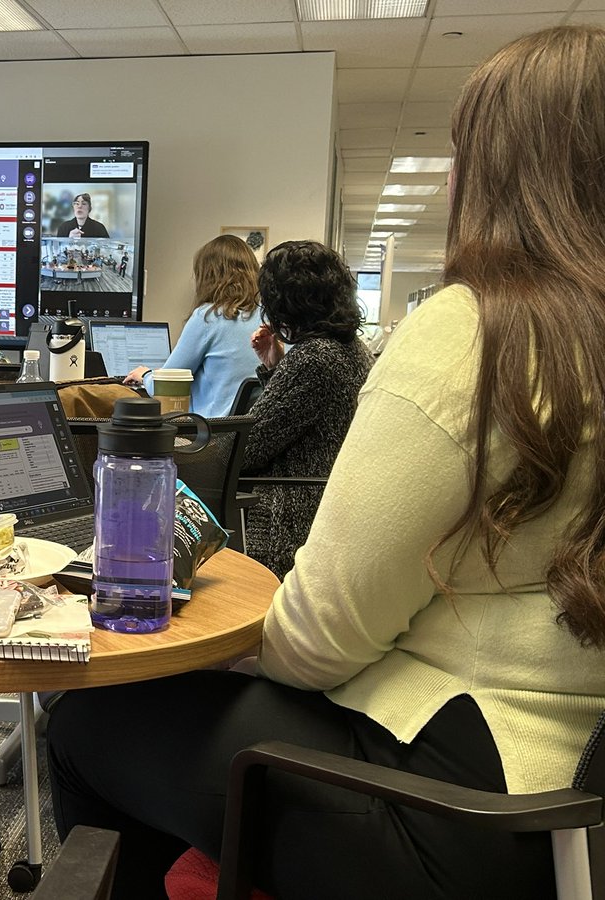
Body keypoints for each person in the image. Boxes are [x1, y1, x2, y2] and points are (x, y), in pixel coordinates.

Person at [46, 24, 605, 899]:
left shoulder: (473, 334)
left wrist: (213, 655)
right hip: (570, 798)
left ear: (497, 174)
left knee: (87, 720)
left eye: (462, 153)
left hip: (459, 808)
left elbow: (316, 643)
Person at [240, 240, 373, 579]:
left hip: (286, 525)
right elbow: (295, 420)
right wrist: (274, 366)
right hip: (323, 511)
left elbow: (249, 449)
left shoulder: (314, 358)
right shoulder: (352, 349)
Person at [125, 234, 261, 418]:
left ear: (208, 275)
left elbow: (167, 386)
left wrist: (145, 375)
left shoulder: (209, 316)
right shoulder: (269, 317)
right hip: (252, 435)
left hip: (211, 437)